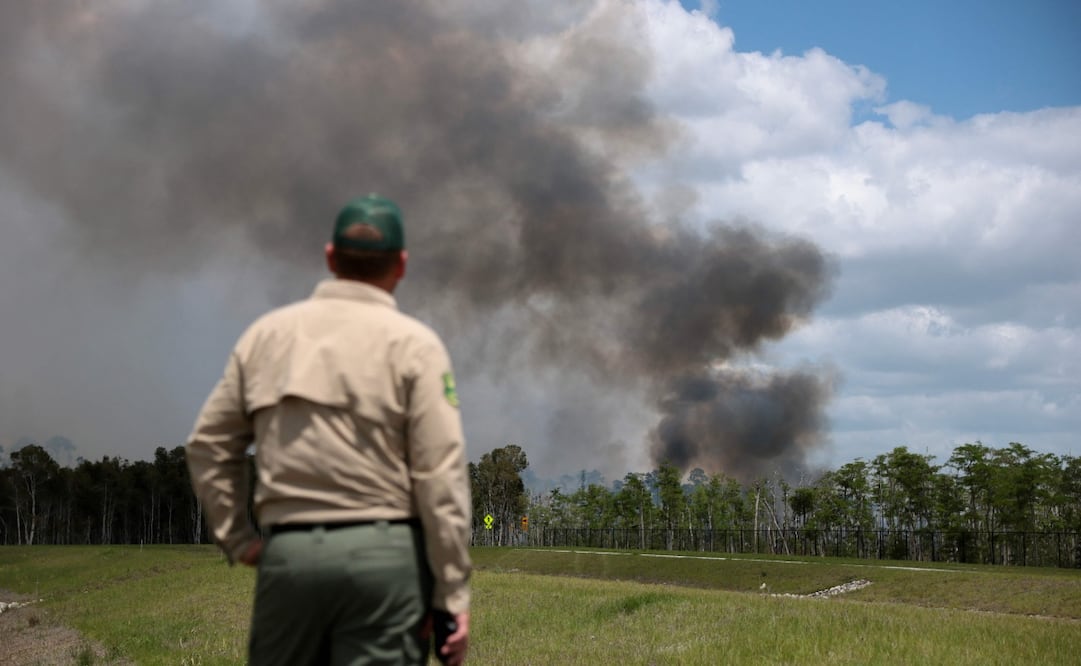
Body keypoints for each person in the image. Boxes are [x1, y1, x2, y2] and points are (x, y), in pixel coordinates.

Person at [186, 194, 472, 666]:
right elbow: (440, 477)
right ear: (401, 265)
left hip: (290, 557)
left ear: (330, 257)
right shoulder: (416, 346)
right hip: (386, 562)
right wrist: (451, 595)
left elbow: (208, 445)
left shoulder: (267, 336)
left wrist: (237, 539)